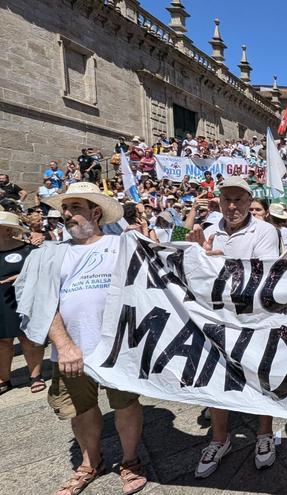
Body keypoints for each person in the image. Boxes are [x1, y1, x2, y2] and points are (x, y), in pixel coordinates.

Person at [17, 181, 147, 495]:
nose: (67, 214)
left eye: (76, 208)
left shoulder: (120, 245)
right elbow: (41, 302)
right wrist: (64, 345)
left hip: (118, 349)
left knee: (125, 404)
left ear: (96, 212)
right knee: (80, 409)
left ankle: (130, 462)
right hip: (70, 351)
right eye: (65, 208)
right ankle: (90, 463)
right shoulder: (50, 254)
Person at [186, 177, 282, 478]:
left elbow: (265, 274)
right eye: (226, 200)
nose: (232, 206)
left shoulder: (265, 231)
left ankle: (264, 433)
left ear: (249, 200)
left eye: (238, 200)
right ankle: (219, 439)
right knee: (216, 378)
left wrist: (222, 261)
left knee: (259, 376)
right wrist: (195, 251)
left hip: (254, 320)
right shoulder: (212, 232)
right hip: (218, 320)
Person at [0, 211, 44, 395]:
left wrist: (18, 277)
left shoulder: (28, 250)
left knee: (28, 338)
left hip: (24, 298)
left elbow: (42, 271)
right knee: (2, 341)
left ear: (8, 229)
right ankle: (4, 379)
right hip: (1, 301)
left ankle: (35, 376)